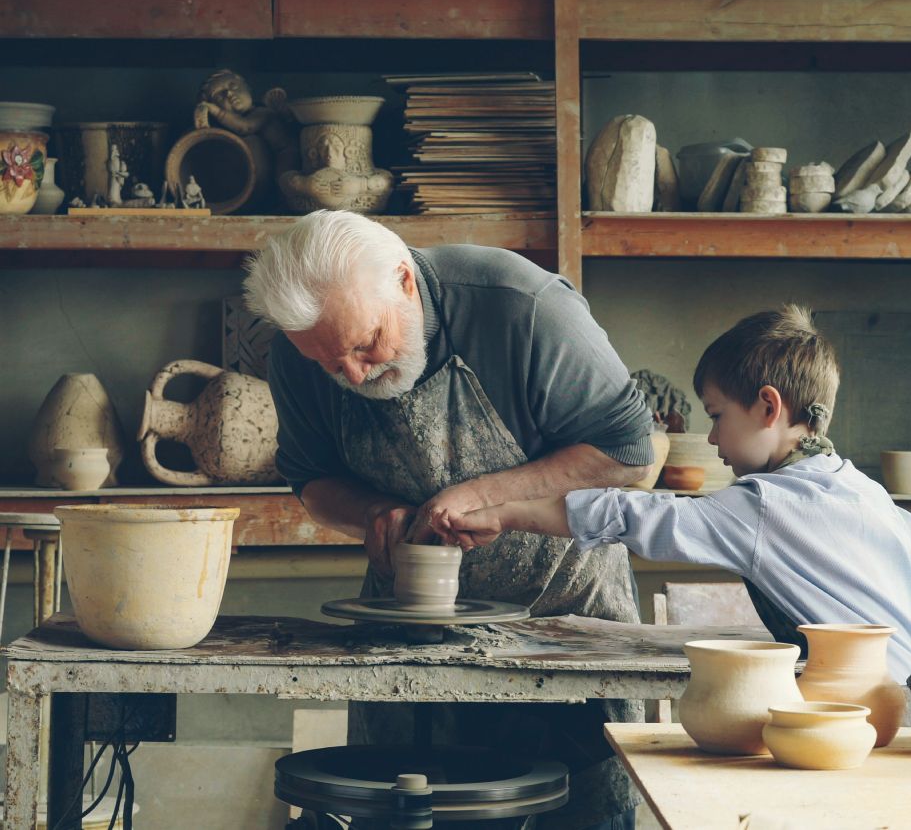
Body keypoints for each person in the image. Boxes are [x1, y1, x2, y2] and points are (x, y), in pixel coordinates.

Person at [243, 209, 656, 830]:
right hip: (408, 645)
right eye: (330, 364)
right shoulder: (298, 351)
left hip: (565, 631)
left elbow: (627, 455)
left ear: (405, 282)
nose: (353, 374)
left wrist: (490, 494)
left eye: (365, 344)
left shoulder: (523, 306)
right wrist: (372, 512)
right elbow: (312, 479)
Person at [439, 305, 911, 683]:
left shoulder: (762, 506)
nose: (711, 438)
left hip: (860, 704)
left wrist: (504, 514)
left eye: (716, 416)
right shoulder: (864, 491)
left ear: (768, 407)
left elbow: (629, 514)